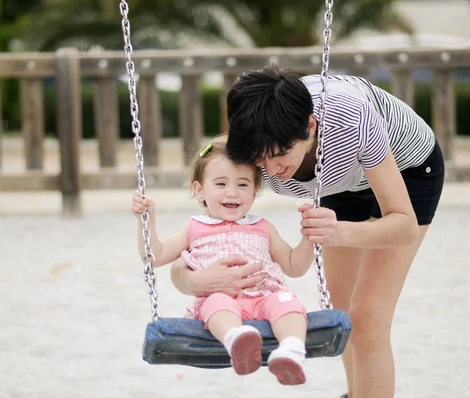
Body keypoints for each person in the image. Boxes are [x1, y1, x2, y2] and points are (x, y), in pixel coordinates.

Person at [171, 64, 445, 398]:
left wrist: (339, 232)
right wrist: (189, 279)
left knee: (369, 318)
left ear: (310, 126)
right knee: (343, 312)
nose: (272, 170)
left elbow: (403, 227)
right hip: (338, 180)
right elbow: (207, 235)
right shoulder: (250, 147)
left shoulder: (353, 118)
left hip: (407, 169)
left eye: (281, 155)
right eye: (261, 160)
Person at [131, 135, 315, 386]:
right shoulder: (194, 227)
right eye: (220, 183)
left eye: (242, 184)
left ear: (254, 191)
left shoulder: (262, 226)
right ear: (199, 190)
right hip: (222, 301)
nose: (232, 192)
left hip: (265, 297)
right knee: (216, 303)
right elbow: (156, 255)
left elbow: (294, 266)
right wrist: (146, 221)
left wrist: (309, 237)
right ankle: (236, 340)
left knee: (286, 301)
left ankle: (291, 350)